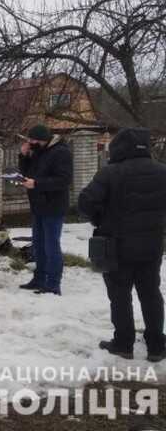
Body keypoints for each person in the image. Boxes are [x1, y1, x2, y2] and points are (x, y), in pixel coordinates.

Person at [78, 128, 166, 363]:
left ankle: (123, 343)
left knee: (119, 295)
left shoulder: (109, 173)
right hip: (152, 245)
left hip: (116, 246)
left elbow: (85, 203)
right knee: (151, 294)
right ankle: (157, 346)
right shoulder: (162, 172)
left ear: (118, 148)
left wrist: (99, 218)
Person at [18, 124, 73, 295]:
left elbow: (63, 180)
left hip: (53, 206)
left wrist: (37, 184)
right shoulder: (40, 151)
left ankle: (53, 284)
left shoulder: (61, 152)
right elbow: (28, 173)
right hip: (38, 206)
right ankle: (39, 279)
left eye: (32, 140)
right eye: (29, 140)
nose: (30, 143)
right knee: (38, 246)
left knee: (51, 246)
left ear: (43, 139)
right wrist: (23, 155)